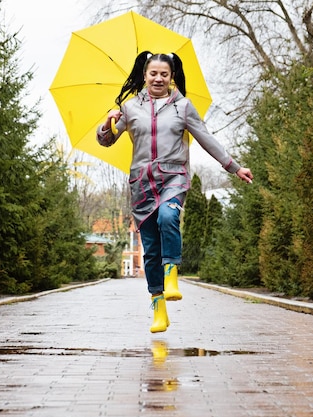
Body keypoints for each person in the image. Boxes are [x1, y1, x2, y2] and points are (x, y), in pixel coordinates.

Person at [97, 51, 253, 333]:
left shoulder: (183, 107)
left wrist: (234, 167)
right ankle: (159, 307)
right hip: (142, 182)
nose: (158, 78)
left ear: (171, 77)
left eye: (164, 74)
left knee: (169, 217)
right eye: (153, 74)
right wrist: (109, 120)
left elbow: (206, 138)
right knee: (150, 250)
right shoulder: (130, 108)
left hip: (174, 176)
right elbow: (106, 140)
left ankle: (172, 275)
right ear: (144, 76)